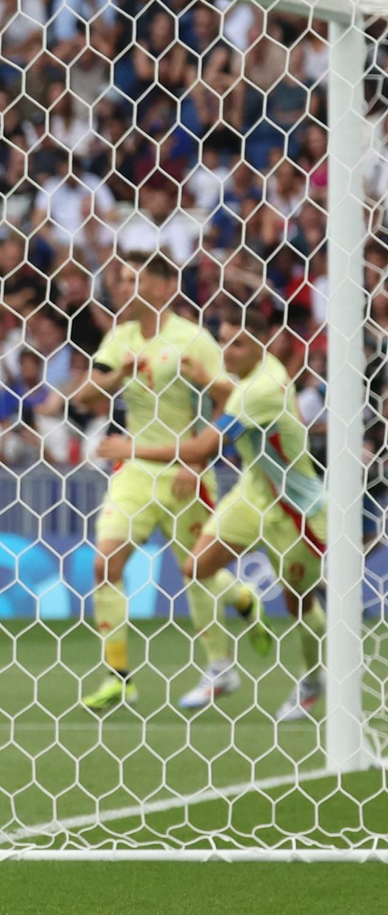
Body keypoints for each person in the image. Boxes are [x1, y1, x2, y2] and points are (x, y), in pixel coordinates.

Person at [98, 307, 321, 719]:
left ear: (261, 344)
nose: (227, 351)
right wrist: (206, 380)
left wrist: (129, 449)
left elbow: (204, 449)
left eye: (237, 344)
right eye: (224, 341)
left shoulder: (260, 389)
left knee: (299, 605)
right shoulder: (246, 379)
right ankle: (221, 665)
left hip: (295, 509)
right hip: (252, 493)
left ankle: (313, 678)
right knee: (195, 565)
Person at [56, 255, 255, 712]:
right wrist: (119, 376)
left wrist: (200, 454)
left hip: (186, 472)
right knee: (105, 563)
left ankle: (223, 658)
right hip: (134, 469)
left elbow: (233, 401)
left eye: (134, 279)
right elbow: (84, 396)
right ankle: (118, 676)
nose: (123, 288)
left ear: (165, 287)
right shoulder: (121, 337)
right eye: (120, 280)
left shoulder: (192, 339)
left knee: (196, 573)